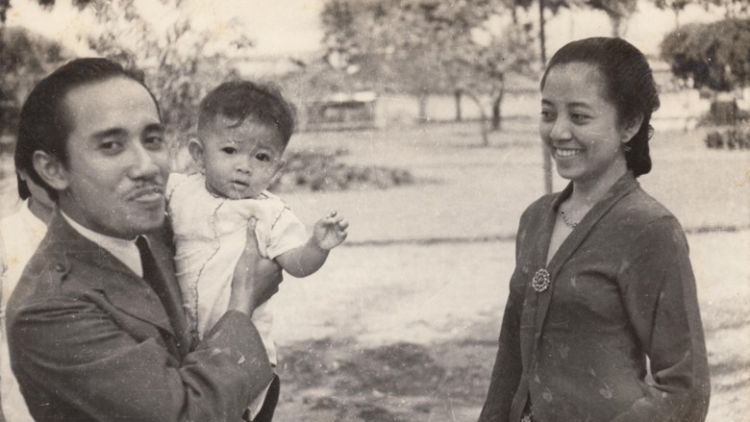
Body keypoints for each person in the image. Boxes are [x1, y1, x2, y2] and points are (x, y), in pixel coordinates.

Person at [6, 57, 283, 422]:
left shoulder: (153, 232)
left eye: (152, 140)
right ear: (53, 170)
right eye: (111, 146)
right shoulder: (47, 308)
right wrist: (242, 302)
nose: (148, 166)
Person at [478, 37, 710, 422]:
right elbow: (510, 359)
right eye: (548, 114)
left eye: (580, 117)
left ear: (630, 124)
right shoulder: (535, 219)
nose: (557, 132)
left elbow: (685, 388)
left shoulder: (650, 229)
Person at [167, 80, 349, 420]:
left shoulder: (270, 213)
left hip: (245, 352)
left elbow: (293, 263)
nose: (244, 166)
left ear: (277, 168)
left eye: (261, 157)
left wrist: (316, 247)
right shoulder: (179, 191)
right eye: (230, 151)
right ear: (197, 153)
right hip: (184, 347)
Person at [0, 157, 56, 421]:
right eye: (41, 169)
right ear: (22, 171)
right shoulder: (5, 237)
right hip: (23, 400)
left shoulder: (102, 231)